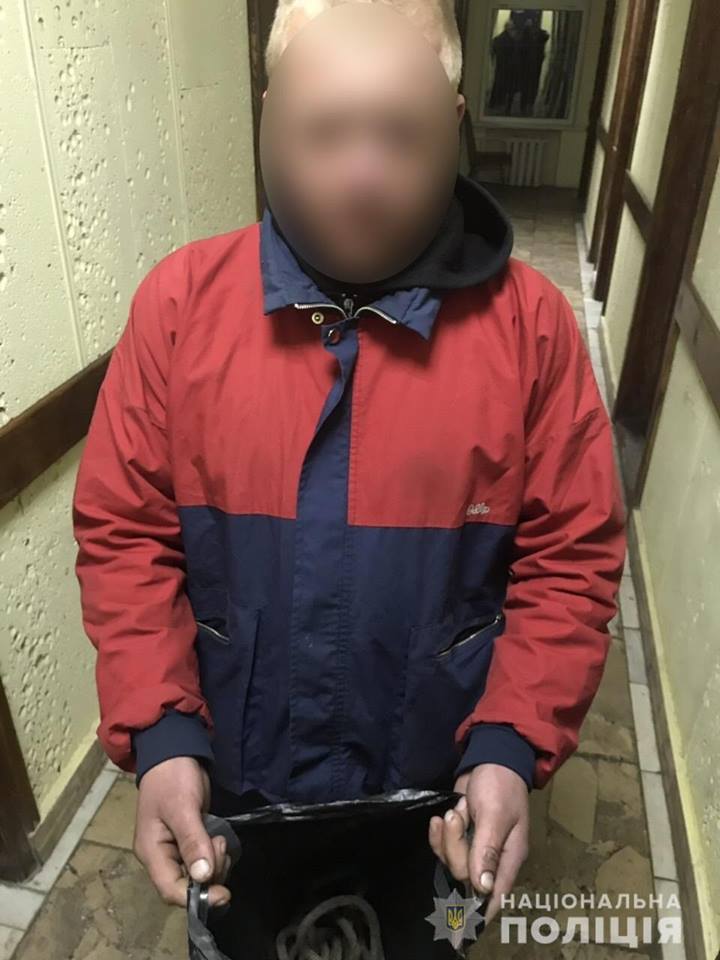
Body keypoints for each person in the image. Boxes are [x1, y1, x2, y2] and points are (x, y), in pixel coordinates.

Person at [71, 0, 627, 954]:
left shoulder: (530, 329)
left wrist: (511, 744)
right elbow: (125, 535)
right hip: (235, 784)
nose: (363, 176)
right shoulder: (178, 309)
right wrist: (160, 734)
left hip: (441, 790)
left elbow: (571, 560)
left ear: (456, 122)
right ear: (267, 116)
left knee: (427, 940)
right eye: (323, 132)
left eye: (403, 136)